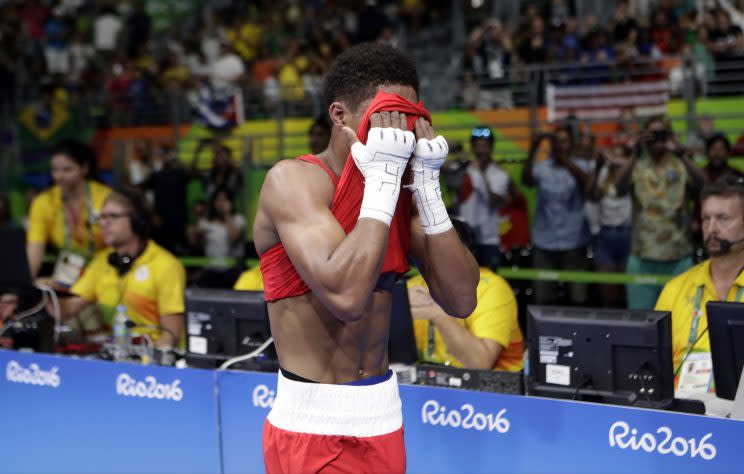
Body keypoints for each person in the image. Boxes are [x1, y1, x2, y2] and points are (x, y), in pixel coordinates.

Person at [253, 43, 479, 473]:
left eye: (411, 117)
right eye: (388, 115)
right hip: (311, 423)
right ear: (340, 116)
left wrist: (427, 192)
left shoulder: (397, 190)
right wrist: (384, 180)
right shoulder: (293, 181)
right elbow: (346, 298)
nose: (403, 130)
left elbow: (462, 299)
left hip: (382, 415)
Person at [58, 188, 185, 349]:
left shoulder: (166, 266)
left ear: (137, 221)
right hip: (118, 355)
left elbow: (170, 335)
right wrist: (41, 295)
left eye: (112, 217)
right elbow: (70, 307)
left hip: (155, 362)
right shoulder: (102, 261)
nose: (103, 223)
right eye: (101, 217)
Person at [655, 176, 744, 395]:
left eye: (723, 218)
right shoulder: (676, 288)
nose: (712, 228)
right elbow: (653, 361)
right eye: (706, 219)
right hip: (681, 413)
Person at [407, 219, 524, 371]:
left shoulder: (492, 288)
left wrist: (437, 313)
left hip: (491, 390)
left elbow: (480, 363)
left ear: (464, 254)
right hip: (429, 384)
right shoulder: (413, 286)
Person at [616, 115, 705, 309]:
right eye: (651, 135)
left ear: (670, 135)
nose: (656, 139)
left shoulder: (681, 165)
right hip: (642, 258)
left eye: (661, 134)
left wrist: (681, 153)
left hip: (678, 258)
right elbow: (618, 188)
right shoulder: (637, 166)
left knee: (680, 320)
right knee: (641, 324)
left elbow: (705, 187)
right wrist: (634, 153)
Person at [522, 126, 593, 305]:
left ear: (571, 144)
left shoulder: (583, 165)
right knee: (544, 298)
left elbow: (589, 185)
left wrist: (566, 162)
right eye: (556, 141)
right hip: (544, 241)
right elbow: (526, 180)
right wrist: (534, 147)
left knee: (579, 297)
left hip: (574, 240)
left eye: (564, 141)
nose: (560, 145)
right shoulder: (542, 167)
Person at [26, 139, 112, 286]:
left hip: (106, 272)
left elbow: (120, 244)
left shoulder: (105, 197)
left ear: (84, 168)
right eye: (55, 170)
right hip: (66, 274)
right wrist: (25, 284)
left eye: (67, 169)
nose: (59, 176)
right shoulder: (43, 202)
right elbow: (35, 248)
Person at [586, 145, 633, 307]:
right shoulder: (603, 175)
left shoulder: (632, 175)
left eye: (620, 158)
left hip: (628, 236)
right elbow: (591, 195)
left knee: (628, 295)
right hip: (605, 236)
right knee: (608, 296)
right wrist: (598, 167)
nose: (615, 161)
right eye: (613, 157)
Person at [458, 126, 511, 268]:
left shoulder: (500, 174)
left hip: (488, 238)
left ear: (491, 148)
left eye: (485, 146)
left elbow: (493, 199)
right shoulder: (465, 169)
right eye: (477, 146)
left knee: (489, 280)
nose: (481, 150)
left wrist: (480, 174)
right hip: (465, 237)